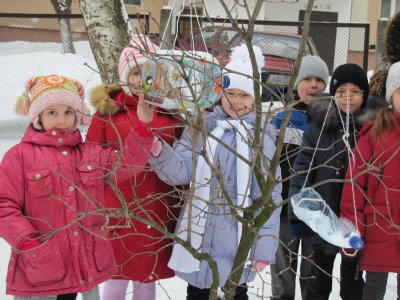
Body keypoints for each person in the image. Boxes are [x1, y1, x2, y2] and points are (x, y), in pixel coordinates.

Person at [136, 44, 282, 299]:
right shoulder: (201, 126)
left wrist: (263, 247)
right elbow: (179, 173)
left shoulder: (262, 140)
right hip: (200, 241)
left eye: (245, 95)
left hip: (238, 243)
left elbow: (268, 198)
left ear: (255, 99)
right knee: (198, 293)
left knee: (235, 293)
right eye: (231, 93)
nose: (237, 102)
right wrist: (160, 152)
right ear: (220, 94)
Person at [0, 74, 156, 300]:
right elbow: (4, 206)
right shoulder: (19, 157)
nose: (61, 120)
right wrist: (30, 244)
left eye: (68, 112)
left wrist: (142, 126)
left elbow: (128, 165)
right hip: (42, 270)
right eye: (52, 112)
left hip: (85, 266)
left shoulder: (90, 154)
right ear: (38, 116)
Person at [86, 36, 183, 300]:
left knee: (146, 274)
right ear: (125, 76)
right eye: (137, 73)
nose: (143, 80)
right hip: (118, 205)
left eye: (151, 72)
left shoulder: (172, 114)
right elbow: (91, 157)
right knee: (116, 273)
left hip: (158, 206)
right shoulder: (108, 113)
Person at [288, 63, 371, 300]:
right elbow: (302, 170)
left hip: (357, 221)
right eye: (341, 92)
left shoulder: (370, 129)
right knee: (318, 284)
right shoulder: (319, 127)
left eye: (353, 92)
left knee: (353, 286)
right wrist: (298, 213)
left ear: (363, 95)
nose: (347, 97)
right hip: (323, 221)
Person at [270, 55, 329, 300]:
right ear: (296, 84)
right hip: (285, 207)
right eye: (307, 79)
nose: (313, 85)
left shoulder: (332, 121)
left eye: (319, 80)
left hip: (318, 211)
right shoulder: (281, 120)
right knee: (283, 275)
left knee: (311, 275)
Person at [340, 61, 400, 300]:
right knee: (373, 290)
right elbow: (355, 186)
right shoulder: (374, 134)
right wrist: (353, 228)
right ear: (391, 96)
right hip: (378, 229)